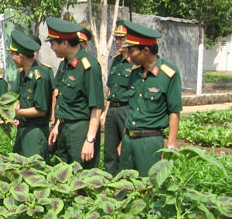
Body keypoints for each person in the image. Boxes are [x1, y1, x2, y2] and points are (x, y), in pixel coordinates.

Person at [119, 20, 182, 176]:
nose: (129, 55)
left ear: (145, 50)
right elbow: (133, 110)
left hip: (150, 142)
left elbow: (174, 111)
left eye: (132, 50)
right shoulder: (134, 73)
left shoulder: (168, 74)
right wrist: (124, 138)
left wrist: (171, 146)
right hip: (129, 140)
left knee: (148, 187)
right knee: (124, 186)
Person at [47, 17, 104, 169]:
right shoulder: (66, 64)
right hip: (64, 128)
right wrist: (58, 125)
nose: (52, 48)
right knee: (63, 176)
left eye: (53, 44)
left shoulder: (88, 66)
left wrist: (90, 140)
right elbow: (64, 100)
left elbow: (97, 107)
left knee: (82, 180)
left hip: (80, 129)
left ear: (65, 43)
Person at [9, 30, 54, 160]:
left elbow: (41, 110)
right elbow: (15, 96)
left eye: (13, 54)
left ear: (21, 56)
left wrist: (16, 112)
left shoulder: (40, 76)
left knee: (34, 173)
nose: (11, 57)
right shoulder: (23, 74)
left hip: (35, 133)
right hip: (22, 129)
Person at [102, 22, 133, 175]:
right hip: (112, 109)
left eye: (122, 38)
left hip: (126, 109)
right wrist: (106, 113)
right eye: (116, 39)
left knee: (125, 148)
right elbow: (111, 89)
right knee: (110, 150)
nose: (118, 42)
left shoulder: (134, 63)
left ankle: (126, 182)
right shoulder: (115, 61)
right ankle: (110, 181)